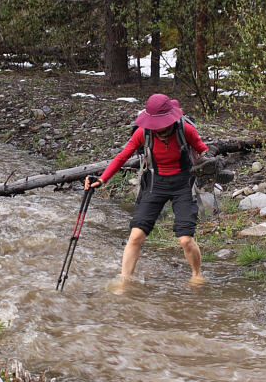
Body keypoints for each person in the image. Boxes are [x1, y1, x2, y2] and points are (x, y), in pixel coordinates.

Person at [85, 93, 209, 287]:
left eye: (161, 123)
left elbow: (204, 151)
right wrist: (102, 179)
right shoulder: (143, 133)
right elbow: (121, 157)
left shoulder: (185, 130)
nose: (158, 128)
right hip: (154, 184)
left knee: (185, 239)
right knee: (136, 236)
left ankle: (196, 274)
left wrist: (210, 164)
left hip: (183, 185)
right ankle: (124, 282)